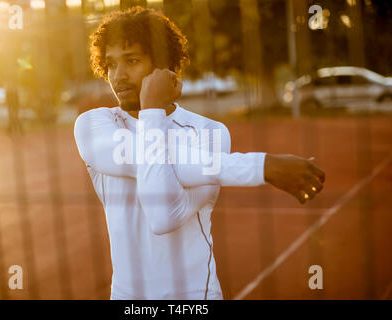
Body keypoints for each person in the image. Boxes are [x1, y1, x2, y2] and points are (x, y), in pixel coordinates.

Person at [74, 6, 325, 300]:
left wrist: (151, 111)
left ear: (165, 67)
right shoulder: (95, 125)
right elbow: (163, 166)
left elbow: (163, 216)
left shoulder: (210, 132)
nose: (118, 76)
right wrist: (261, 166)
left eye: (131, 61)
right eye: (110, 64)